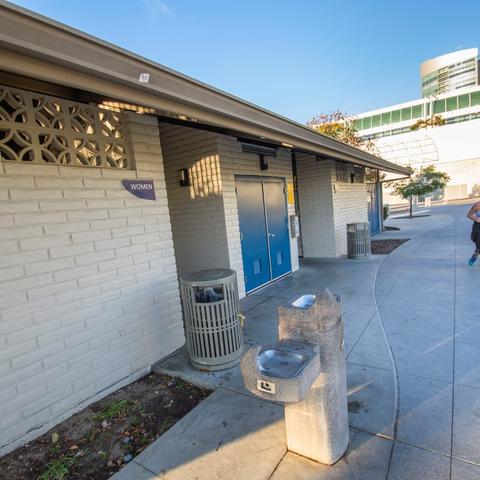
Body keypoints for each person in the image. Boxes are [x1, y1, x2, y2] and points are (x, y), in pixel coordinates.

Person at [467, 201, 480, 266]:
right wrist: (477, 219)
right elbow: (469, 215)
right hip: (478, 228)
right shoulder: (477, 205)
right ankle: (475, 255)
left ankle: (475, 254)